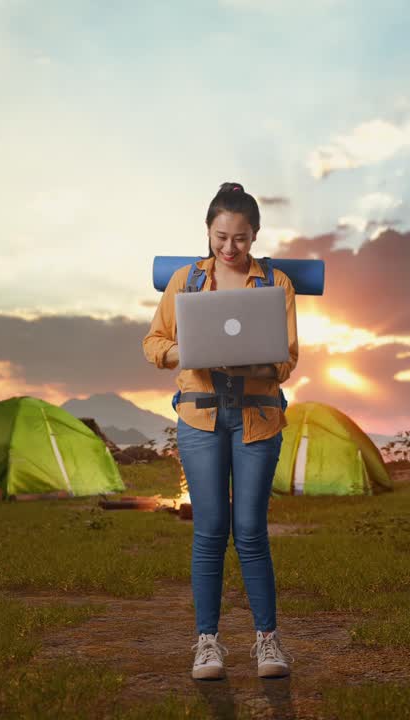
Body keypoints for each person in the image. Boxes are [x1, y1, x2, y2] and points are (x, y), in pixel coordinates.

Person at [142, 181, 299, 680]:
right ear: (208, 232)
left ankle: (267, 642)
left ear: (255, 236)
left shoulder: (275, 284)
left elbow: (288, 358)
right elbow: (153, 341)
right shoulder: (186, 281)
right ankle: (207, 644)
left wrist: (254, 361)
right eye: (221, 237)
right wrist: (187, 352)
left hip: (257, 417)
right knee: (209, 531)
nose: (230, 248)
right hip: (200, 418)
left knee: (250, 531)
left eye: (241, 238)